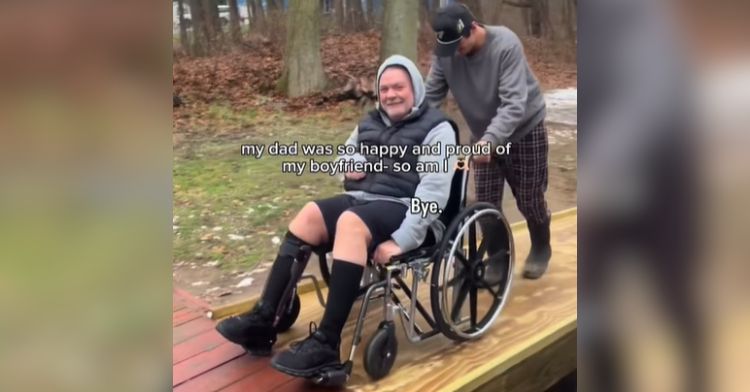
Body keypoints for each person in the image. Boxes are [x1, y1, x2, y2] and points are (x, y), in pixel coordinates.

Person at [215, 55, 458, 378]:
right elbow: (346, 154)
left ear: (414, 87)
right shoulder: (369, 122)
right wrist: (350, 162)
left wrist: (402, 240)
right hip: (363, 199)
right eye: (384, 88)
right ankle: (264, 319)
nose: (390, 94)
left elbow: (435, 193)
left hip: (406, 207)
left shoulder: (437, 129)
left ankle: (327, 345)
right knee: (309, 215)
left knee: (350, 224)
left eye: (398, 87)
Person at [425, 2, 552, 279]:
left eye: (458, 44)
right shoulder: (446, 52)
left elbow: (514, 104)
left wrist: (490, 141)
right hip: (483, 134)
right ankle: (498, 259)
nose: (454, 52)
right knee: (486, 203)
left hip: (524, 129)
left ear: (473, 28)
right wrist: (417, 133)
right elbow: (431, 97)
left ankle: (541, 246)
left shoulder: (505, 44)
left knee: (530, 199)